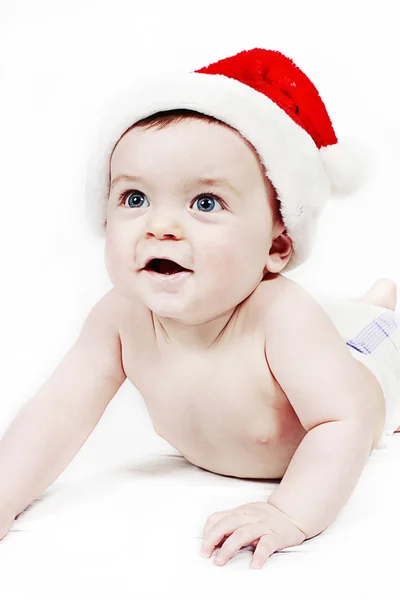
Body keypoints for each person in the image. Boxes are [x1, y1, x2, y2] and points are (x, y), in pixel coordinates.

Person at [0, 48, 399, 571]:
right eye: (135, 198)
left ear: (277, 247)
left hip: (371, 367)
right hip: (325, 342)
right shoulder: (120, 316)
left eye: (205, 203)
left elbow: (343, 419)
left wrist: (290, 514)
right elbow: (57, 414)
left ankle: (380, 306)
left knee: (372, 336)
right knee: (344, 323)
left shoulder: (281, 315)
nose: (160, 226)